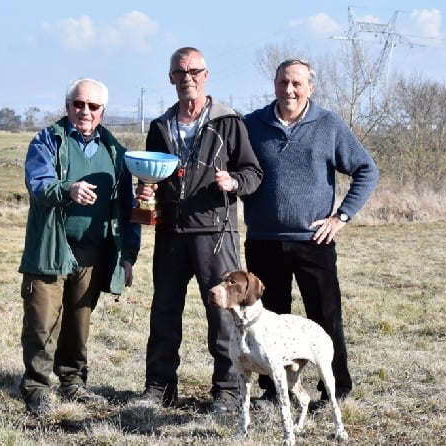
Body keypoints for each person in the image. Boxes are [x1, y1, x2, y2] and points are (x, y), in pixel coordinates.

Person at [242, 58, 379, 410]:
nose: (289, 89)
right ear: (274, 84)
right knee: (268, 322)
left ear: (310, 88)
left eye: (297, 83)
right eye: (283, 82)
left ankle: (336, 390)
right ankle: (275, 391)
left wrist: (341, 217)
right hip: (263, 240)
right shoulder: (252, 125)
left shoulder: (328, 125)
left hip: (313, 241)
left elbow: (367, 170)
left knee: (324, 316)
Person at [133, 47, 263, 413]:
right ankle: (159, 389)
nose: (186, 77)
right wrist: (146, 191)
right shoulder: (160, 127)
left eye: (194, 71)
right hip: (171, 232)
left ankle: (227, 391)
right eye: (179, 72)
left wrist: (233, 181)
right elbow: (152, 177)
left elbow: (254, 174)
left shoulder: (228, 121)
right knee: (164, 312)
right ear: (170, 78)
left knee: (223, 316)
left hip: (216, 233)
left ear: (206, 75)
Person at [18, 78, 140, 416]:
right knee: (42, 322)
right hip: (50, 248)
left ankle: (73, 383)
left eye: (93, 106)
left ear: (103, 111)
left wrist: (127, 257)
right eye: (78, 104)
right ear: (67, 105)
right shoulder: (47, 141)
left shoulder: (116, 152)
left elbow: (127, 209)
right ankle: (37, 388)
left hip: (92, 252)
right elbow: (39, 184)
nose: (85, 111)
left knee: (78, 324)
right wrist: (68, 190)